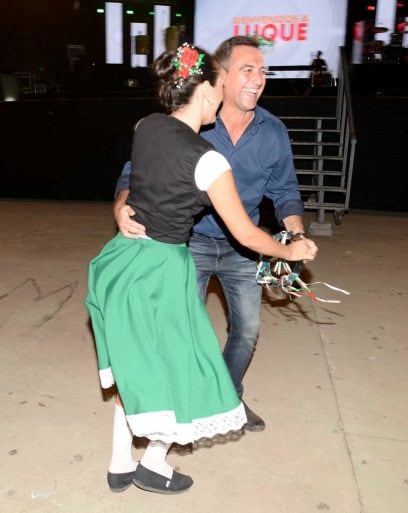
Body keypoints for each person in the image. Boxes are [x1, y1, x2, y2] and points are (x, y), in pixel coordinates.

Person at [87, 42, 318, 495]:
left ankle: (120, 463)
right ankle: (153, 462)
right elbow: (249, 234)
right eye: (244, 71)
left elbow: (280, 193)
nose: (258, 78)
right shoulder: (209, 161)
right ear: (213, 89)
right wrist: (291, 252)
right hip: (169, 264)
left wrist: (291, 228)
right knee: (178, 363)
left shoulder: (147, 125)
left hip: (124, 262)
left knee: (141, 360)